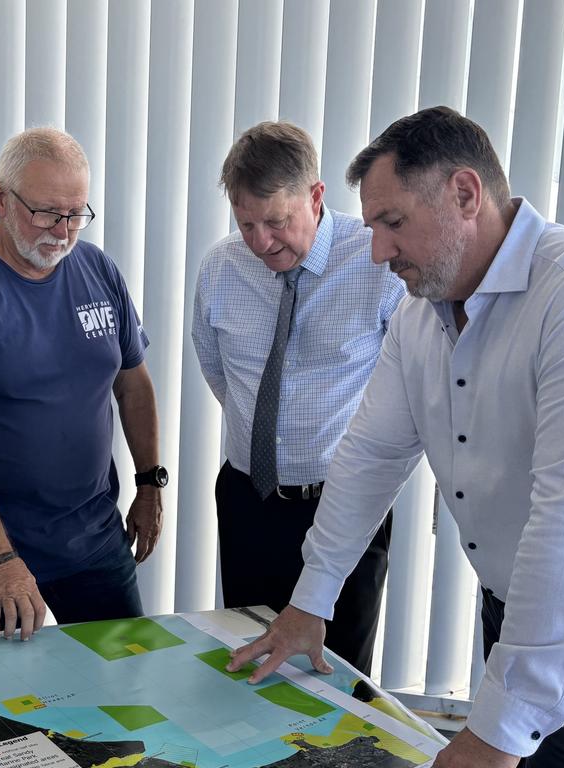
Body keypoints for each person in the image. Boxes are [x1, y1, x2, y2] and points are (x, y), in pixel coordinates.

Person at [228, 106, 564, 768]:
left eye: (392, 222)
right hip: (518, 612)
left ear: (464, 195)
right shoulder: (421, 316)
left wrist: (498, 733)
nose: (377, 251)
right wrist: (309, 601)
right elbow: (370, 455)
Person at [0, 127, 164, 639]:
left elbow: (132, 384)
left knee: (126, 690)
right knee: (2, 714)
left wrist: (149, 482)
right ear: (2, 199)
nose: (63, 231)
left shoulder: (98, 270)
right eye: (47, 213)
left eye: (76, 214)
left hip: (94, 541)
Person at [192, 121, 404, 674]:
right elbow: (218, 372)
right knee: (247, 660)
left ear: (315, 197)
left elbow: (407, 390)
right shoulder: (220, 268)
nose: (261, 242)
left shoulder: (378, 264)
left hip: (344, 503)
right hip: (249, 497)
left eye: (276, 222)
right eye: (246, 224)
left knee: (334, 674)